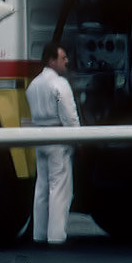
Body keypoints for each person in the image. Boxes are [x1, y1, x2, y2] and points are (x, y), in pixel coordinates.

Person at [27, 41, 80, 245]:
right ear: (51, 61)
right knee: (59, 188)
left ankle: (39, 234)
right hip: (58, 138)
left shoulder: (33, 85)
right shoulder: (59, 84)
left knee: (41, 187)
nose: (66, 61)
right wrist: (77, 138)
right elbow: (69, 115)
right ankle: (56, 236)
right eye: (62, 57)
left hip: (39, 137)